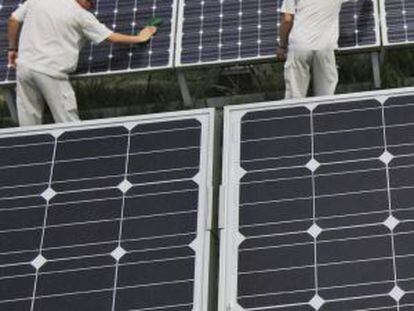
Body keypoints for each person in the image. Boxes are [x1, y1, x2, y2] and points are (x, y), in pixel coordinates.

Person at [7, 0, 157, 126]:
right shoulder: (80, 15)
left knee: (28, 126)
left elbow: (13, 19)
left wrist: (12, 48)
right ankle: (77, 157)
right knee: (69, 125)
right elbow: (112, 38)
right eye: (91, 3)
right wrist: (140, 38)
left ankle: (31, 158)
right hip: (51, 72)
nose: (92, 6)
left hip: (24, 68)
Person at [276, 0, 351, 99]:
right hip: (325, 46)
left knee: (295, 96)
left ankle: (295, 113)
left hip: (300, 45)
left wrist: (282, 46)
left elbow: (287, 20)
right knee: (326, 97)